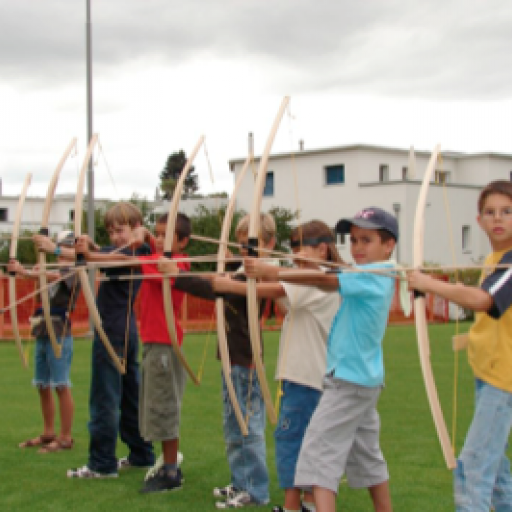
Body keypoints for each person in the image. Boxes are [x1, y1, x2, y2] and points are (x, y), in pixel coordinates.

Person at [245, 207, 399, 512]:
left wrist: (273, 271)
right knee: (368, 458)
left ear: (389, 245)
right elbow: (324, 276)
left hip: (347, 382)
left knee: (317, 460)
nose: (357, 248)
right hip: (362, 381)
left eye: (366, 240)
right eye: (353, 240)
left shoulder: (374, 275)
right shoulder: (372, 275)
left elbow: (323, 280)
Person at [214, 220, 342, 512]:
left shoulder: (318, 276)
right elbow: (285, 301)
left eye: (302, 248)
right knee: (306, 441)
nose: (296, 254)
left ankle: (293, 505)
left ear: (323, 249)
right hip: (307, 375)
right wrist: (255, 274)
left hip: (306, 377)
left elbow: (270, 291)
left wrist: (226, 284)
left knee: (291, 440)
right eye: (293, 248)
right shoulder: (316, 277)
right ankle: (307, 502)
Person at [77, 212, 202, 493]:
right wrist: (96, 251)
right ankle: (168, 464)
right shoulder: (160, 260)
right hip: (156, 345)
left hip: (164, 347)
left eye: (165, 236)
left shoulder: (174, 264)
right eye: (156, 234)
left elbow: (126, 260)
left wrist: (90, 256)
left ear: (182, 242)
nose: (158, 240)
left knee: (164, 408)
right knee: (157, 407)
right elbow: (127, 256)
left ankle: (171, 472)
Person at [407, 180, 512, 512]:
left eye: (507, 211)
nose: (498, 219)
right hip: (491, 376)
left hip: (503, 381)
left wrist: (429, 284)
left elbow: (483, 301)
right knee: (496, 476)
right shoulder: (495, 260)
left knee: (472, 470)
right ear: (479, 220)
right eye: (490, 212)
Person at [161, 212, 275, 508]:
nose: (244, 252)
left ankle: (255, 489)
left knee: (246, 425)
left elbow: (215, 287)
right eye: (241, 246)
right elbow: (219, 280)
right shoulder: (242, 269)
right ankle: (241, 482)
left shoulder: (259, 272)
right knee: (233, 425)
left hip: (245, 360)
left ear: (270, 244)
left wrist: (177, 275)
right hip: (232, 359)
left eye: (252, 246)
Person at [36, 202, 155, 477]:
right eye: (111, 232)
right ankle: (141, 454)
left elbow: (106, 259)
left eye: (121, 230)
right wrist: (90, 248)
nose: (115, 237)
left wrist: (56, 249)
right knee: (128, 398)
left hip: (112, 332)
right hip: (122, 331)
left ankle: (101, 463)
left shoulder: (138, 249)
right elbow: (106, 255)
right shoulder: (128, 249)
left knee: (104, 398)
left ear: (136, 228)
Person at [11, 230, 79, 453]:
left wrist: (26, 272)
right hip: (42, 329)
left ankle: (65, 437)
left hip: (59, 330)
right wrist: (23, 270)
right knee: (42, 384)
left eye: (64, 248)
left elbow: (58, 277)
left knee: (61, 384)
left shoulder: (75, 270)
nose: (61, 254)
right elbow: (48, 276)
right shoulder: (53, 270)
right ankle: (49, 432)